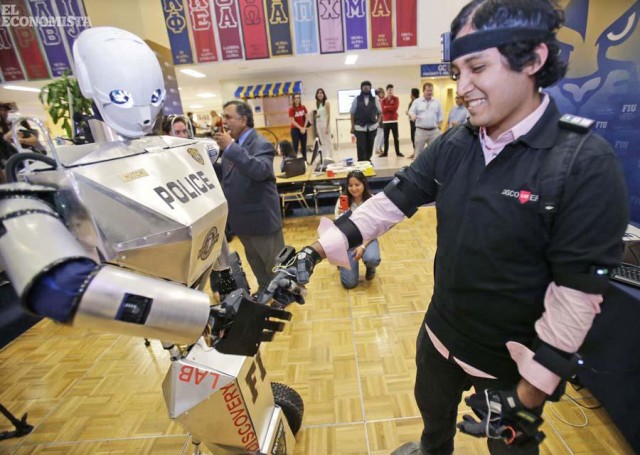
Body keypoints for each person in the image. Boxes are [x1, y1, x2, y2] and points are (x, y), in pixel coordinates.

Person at [275, 0, 629, 453]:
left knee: (511, 447)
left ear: (534, 60)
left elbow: (577, 296)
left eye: (477, 68)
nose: (461, 87)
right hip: (439, 336)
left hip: (510, 366)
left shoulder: (583, 163)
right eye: (457, 71)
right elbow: (390, 203)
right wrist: (314, 253)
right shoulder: (456, 144)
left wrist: (528, 398)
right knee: (433, 428)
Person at [213, 100, 285, 292]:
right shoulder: (233, 144)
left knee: (275, 268)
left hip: (262, 222)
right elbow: (228, 174)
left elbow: (260, 170)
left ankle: (282, 297)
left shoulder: (261, 143)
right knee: (257, 265)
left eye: (228, 117)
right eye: (223, 116)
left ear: (243, 120)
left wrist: (230, 148)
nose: (224, 121)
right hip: (243, 223)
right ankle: (265, 294)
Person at [335, 170, 381, 288]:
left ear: (364, 184)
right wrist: (342, 217)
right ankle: (343, 263)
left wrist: (363, 246)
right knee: (349, 284)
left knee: (372, 258)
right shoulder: (342, 201)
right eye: (350, 185)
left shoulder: (372, 200)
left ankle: (370, 266)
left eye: (357, 185)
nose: (354, 188)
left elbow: (376, 228)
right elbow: (337, 228)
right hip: (348, 240)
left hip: (368, 238)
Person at [408, 82, 443, 159]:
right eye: (427, 90)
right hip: (421, 132)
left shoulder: (437, 102)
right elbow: (411, 112)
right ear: (423, 91)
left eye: (431, 90)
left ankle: (433, 170)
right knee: (418, 153)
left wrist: (439, 129)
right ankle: (416, 170)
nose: (429, 92)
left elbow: (440, 117)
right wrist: (412, 115)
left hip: (434, 132)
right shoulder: (417, 101)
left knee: (434, 153)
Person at [350, 81, 382, 162]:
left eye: (368, 86)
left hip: (372, 127)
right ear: (361, 88)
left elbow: (380, 112)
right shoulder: (356, 99)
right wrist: (352, 126)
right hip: (359, 127)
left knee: (370, 146)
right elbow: (352, 113)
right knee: (361, 146)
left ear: (370, 88)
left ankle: (368, 161)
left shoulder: (375, 99)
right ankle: (361, 162)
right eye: (364, 86)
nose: (366, 87)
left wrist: (378, 123)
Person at [380, 84, 404, 157]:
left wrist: (386, 107)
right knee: (385, 138)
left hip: (394, 121)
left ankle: (398, 152)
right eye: (389, 90)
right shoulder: (383, 100)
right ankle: (385, 153)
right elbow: (383, 111)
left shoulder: (396, 98)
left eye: (391, 90)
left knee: (396, 138)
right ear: (386, 91)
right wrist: (389, 108)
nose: (390, 91)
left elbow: (395, 108)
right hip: (385, 121)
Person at [314, 88, 334, 160]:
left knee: (328, 141)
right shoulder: (318, 103)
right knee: (322, 142)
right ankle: (325, 157)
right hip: (319, 124)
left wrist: (326, 127)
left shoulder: (327, 102)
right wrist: (317, 116)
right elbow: (321, 114)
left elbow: (328, 115)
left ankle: (331, 157)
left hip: (325, 124)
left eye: (321, 93)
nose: (319, 94)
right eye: (318, 93)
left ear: (323, 94)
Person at [288, 93, 308, 159]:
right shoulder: (291, 109)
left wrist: (304, 128)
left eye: (298, 98)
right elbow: (292, 121)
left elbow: (306, 118)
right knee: (295, 146)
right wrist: (300, 128)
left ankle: (304, 160)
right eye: (296, 98)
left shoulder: (303, 107)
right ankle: (295, 161)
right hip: (295, 130)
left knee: (304, 146)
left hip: (303, 129)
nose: (297, 99)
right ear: (293, 99)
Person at [373, 87, 385, 156]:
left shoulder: (383, 100)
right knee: (379, 135)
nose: (382, 94)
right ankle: (377, 148)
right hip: (379, 119)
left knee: (384, 136)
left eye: (382, 92)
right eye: (380, 92)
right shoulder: (376, 100)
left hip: (385, 119)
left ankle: (380, 147)